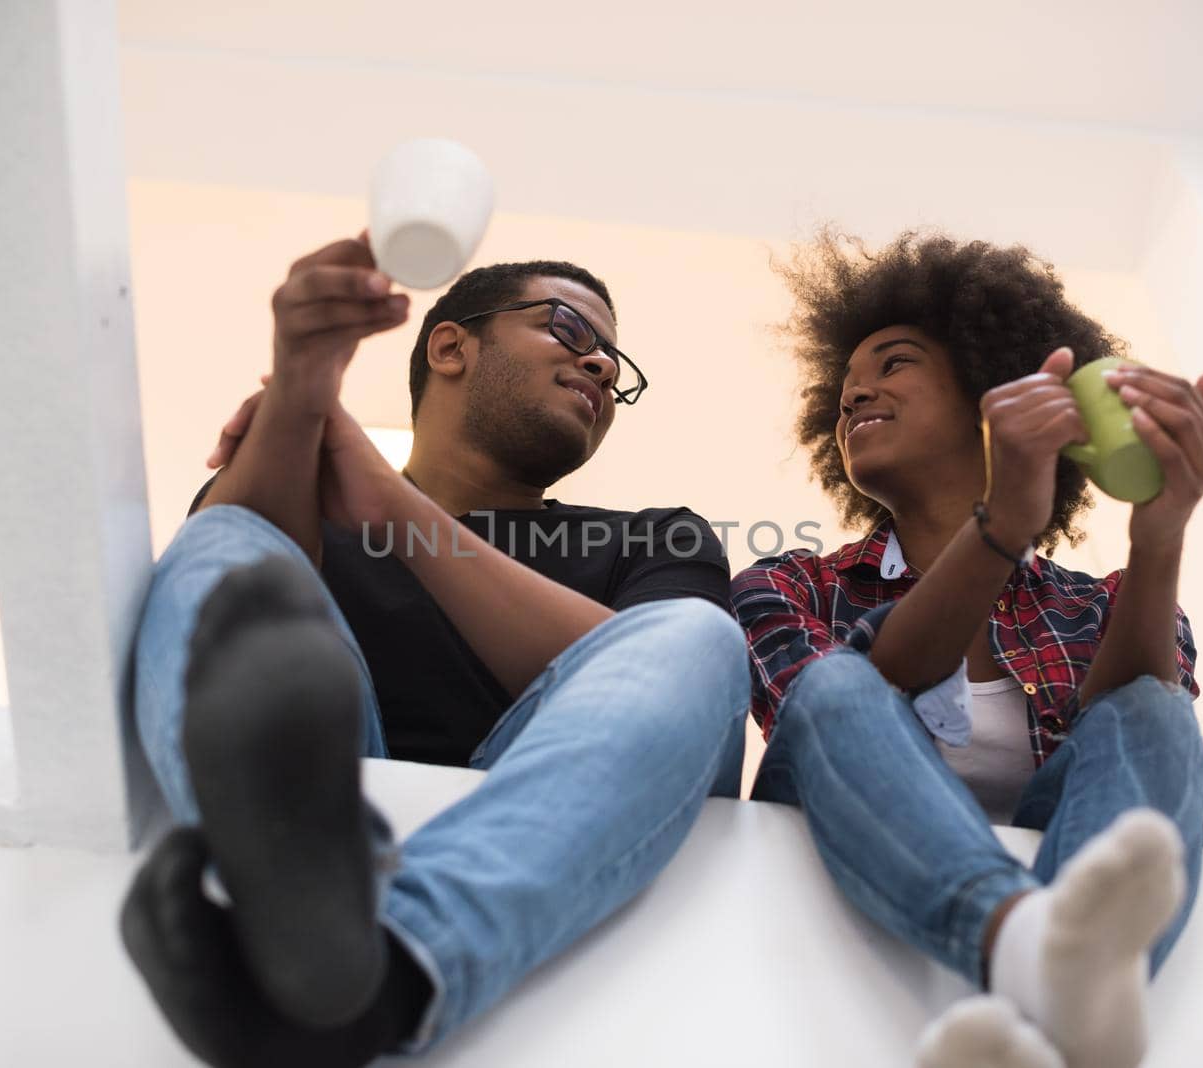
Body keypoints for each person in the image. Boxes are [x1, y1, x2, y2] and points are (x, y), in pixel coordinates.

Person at [121, 233, 748, 1067]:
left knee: (699, 633)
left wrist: (390, 506)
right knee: (226, 540)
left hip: (552, 807)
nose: (602, 367)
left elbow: (670, 681)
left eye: (615, 365)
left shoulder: (654, 537)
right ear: (451, 344)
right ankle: (293, 892)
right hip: (341, 798)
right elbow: (229, 552)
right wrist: (304, 381)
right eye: (570, 329)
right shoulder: (305, 506)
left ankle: (393, 965)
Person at [732, 232, 1203, 1068]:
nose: (857, 396)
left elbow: (1135, 733)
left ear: (991, 389)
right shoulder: (790, 585)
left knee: (1152, 707)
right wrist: (1004, 522)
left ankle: (1056, 1000)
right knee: (839, 688)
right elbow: (849, 703)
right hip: (836, 855)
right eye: (845, 389)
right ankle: (1029, 953)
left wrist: (1160, 533)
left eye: (892, 365)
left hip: (1035, 889)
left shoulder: (1101, 600)